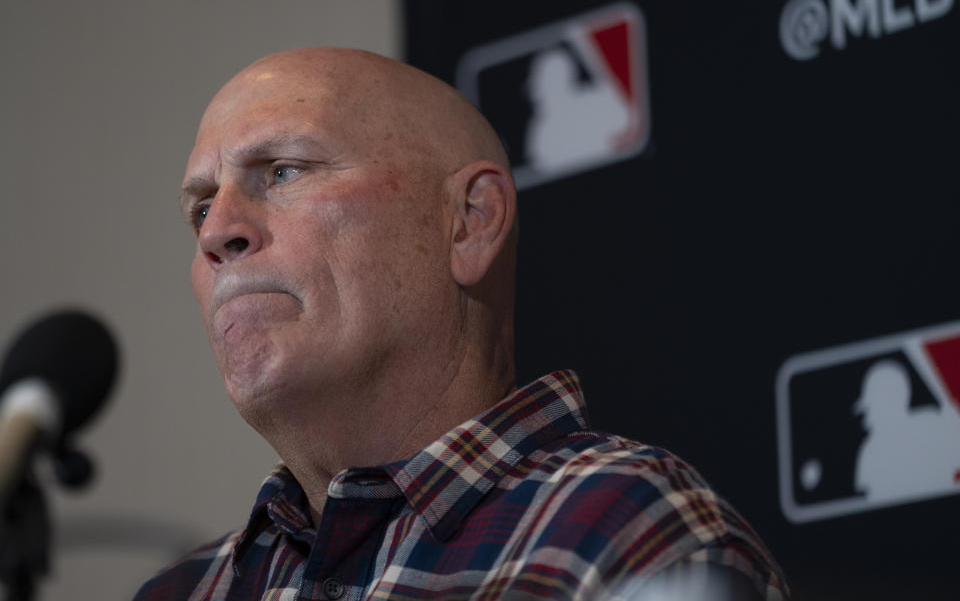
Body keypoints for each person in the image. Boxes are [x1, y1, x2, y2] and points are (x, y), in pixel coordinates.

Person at [134, 48, 788, 600]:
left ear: (469, 222)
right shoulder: (184, 590)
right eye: (200, 210)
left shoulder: (622, 530)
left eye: (282, 171)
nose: (218, 234)